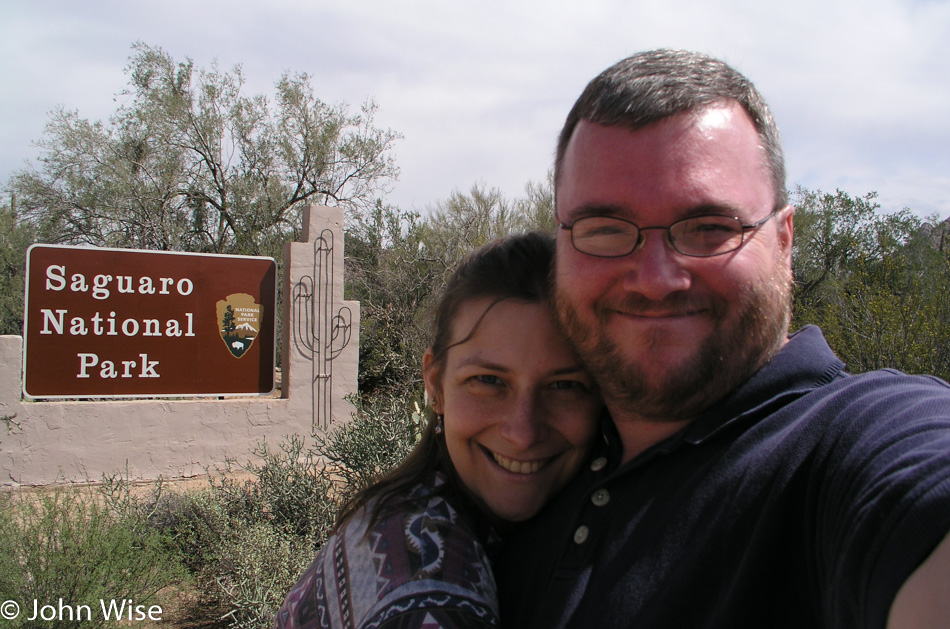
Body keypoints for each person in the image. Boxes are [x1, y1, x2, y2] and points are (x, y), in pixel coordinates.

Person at [494, 49, 950, 628]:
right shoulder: (536, 460)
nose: (657, 281)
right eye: (604, 230)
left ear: (784, 242)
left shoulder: (848, 445)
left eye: (710, 228)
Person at [274, 232, 603, 629]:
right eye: (488, 380)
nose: (523, 432)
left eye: (564, 386)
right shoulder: (425, 579)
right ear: (435, 384)